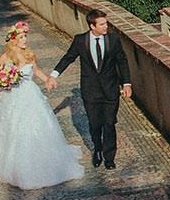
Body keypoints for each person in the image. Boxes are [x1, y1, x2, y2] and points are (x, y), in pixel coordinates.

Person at [0, 21, 85, 189]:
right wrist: (5, 82)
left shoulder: (29, 54)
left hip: (30, 94)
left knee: (35, 124)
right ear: (14, 40)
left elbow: (36, 71)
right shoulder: (6, 57)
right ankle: (14, 163)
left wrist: (48, 80)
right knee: (13, 127)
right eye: (21, 37)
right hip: (12, 96)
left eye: (25, 36)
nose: (25, 39)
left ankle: (39, 158)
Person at [46, 9, 131, 170]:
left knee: (109, 123)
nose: (106, 26)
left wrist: (126, 83)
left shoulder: (113, 40)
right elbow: (68, 58)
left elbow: (122, 61)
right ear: (92, 26)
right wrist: (53, 75)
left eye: (106, 23)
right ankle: (97, 150)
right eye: (102, 24)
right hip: (90, 91)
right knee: (94, 124)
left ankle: (109, 157)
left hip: (110, 90)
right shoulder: (80, 41)